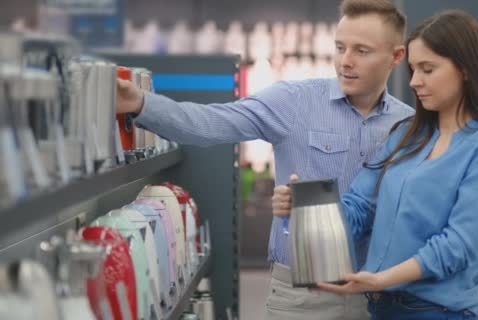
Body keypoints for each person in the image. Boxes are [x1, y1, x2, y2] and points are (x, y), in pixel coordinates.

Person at [115, 0, 414, 318]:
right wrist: (140, 103)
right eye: (340, 47)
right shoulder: (294, 101)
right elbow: (210, 123)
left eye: (362, 51)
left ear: (396, 56)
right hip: (302, 297)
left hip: (380, 297)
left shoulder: (409, 124)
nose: (346, 61)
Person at [272, 10, 478, 320]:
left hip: (437, 312)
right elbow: (358, 206)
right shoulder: (407, 134)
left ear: (466, 69)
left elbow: (458, 245)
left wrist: (382, 279)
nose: (415, 82)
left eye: (428, 69)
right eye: (413, 69)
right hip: (382, 309)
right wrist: (303, 208)